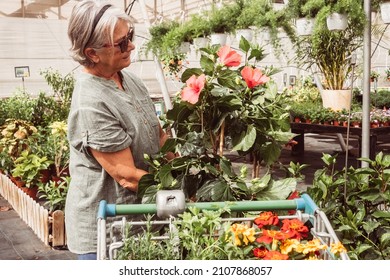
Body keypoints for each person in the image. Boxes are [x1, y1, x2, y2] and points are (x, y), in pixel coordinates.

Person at [65, 0, 172, 260]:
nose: (132, 46)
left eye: (130, 37)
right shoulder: (90, 103)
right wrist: (179, 193)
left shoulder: (130, 79)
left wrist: (183, 166)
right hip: (108, 229)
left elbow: (158, 134)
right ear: (92, 53)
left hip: (144, 219)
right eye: (122, 43)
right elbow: (127, 176)